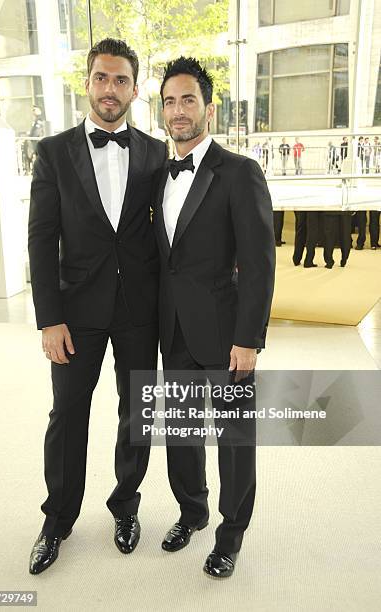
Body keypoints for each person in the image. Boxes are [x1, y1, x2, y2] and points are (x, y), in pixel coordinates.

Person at [27, 38, 167, 575]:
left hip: (139, 308)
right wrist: (48, 318)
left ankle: (125, 507)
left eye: (122, 80)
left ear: (134, 88)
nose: (111, 89)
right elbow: (41, 240)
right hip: (75, 314)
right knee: (68, 416)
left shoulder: (155, 153)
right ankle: (57, 518)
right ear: (87, 83)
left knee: (138, 415)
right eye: (102, 78)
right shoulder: (54, 152)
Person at [154, 56, 275, 579]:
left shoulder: (239, 171)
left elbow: (259, 263)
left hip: (227, 335)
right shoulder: (157, 174)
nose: (178, 111)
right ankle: (192, 511)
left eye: (188, 100)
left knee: (233, 440)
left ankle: (231, 533)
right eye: (169, 102)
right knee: (180, 433)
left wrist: (248, 339)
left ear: (208, 107)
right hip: (172, 329)